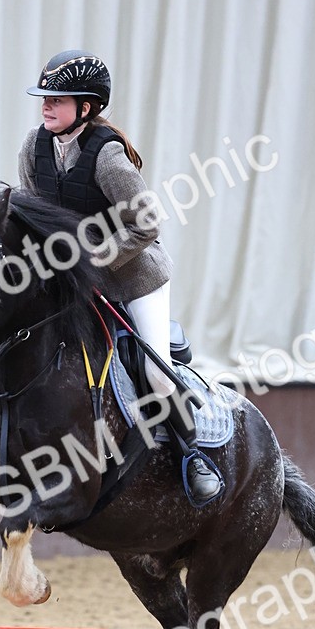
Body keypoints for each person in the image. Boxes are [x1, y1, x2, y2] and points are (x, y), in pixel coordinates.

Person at [18, 49, 223, 507]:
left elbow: (147, 224)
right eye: (44, 98)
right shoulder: (34, 146)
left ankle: (195, 456)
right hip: (71, 281)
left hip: (133, 278)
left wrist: (91, 259)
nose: (46, 106)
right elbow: (33, 214)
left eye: (57, 99)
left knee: (156, 373)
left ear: (86, 108)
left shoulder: (108, 157)